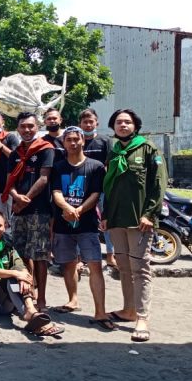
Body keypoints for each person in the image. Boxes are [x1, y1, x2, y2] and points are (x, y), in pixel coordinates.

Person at [102, 109, 167, 342]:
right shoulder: (114, 152)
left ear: (135, 126)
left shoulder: (148, 149)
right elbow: (109, 188)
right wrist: (106, 215)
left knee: (140, 269)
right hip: (117, 220)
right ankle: (128, 310)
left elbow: (159, 184)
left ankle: (142, 317)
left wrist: (150, 214)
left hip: (140, 221)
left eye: (127, 122)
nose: (123, 125)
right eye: (119, 122)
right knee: (124, 267)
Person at [50, 126, 114, 330]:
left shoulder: (95, 166)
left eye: (76, 139)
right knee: (68, 264)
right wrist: (68, 208)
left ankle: (100, 311)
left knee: (95, 265)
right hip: (63, 224)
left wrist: (79, 210)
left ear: (83, 141)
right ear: (64, 143)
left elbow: (96, 193)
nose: (73, 143)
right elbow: (56, 192)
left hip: (87, 225)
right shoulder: (58, 167)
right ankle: (73, 300)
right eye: (69, 139)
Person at [0, 211, 64, 337]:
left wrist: (24, 275)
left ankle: (32, 316)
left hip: (8, 304)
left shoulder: (7, 244)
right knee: (12, 277)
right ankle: (31, 313)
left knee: (20, 276)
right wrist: (16, 273)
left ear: (5, 227)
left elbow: (18, 263)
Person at [2, 112, 54, 311]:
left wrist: (26, 199)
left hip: (39, 210)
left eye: (30, 126)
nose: (26, 130)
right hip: (19, 211)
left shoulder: (45, 149)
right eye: (23, 126)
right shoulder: (15, 154)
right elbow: (10, 181)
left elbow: (44, 178)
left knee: (40, 255)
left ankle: (41, 298)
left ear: (37, 126)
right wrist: (16, 197)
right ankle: (27, 291)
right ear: (18, 128)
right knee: (21, 253)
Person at [79, 108, 117, 268]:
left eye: (91, 122)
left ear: (97, 123)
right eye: (85, 122)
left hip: (101, 189)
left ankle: (110, 255)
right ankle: (80, 256)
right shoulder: (78, 141)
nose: (88, 125)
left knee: (106, 221)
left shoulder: (105, 141)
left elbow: (110, 165)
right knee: (80, 222)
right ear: (80, 124)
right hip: (81, 189)